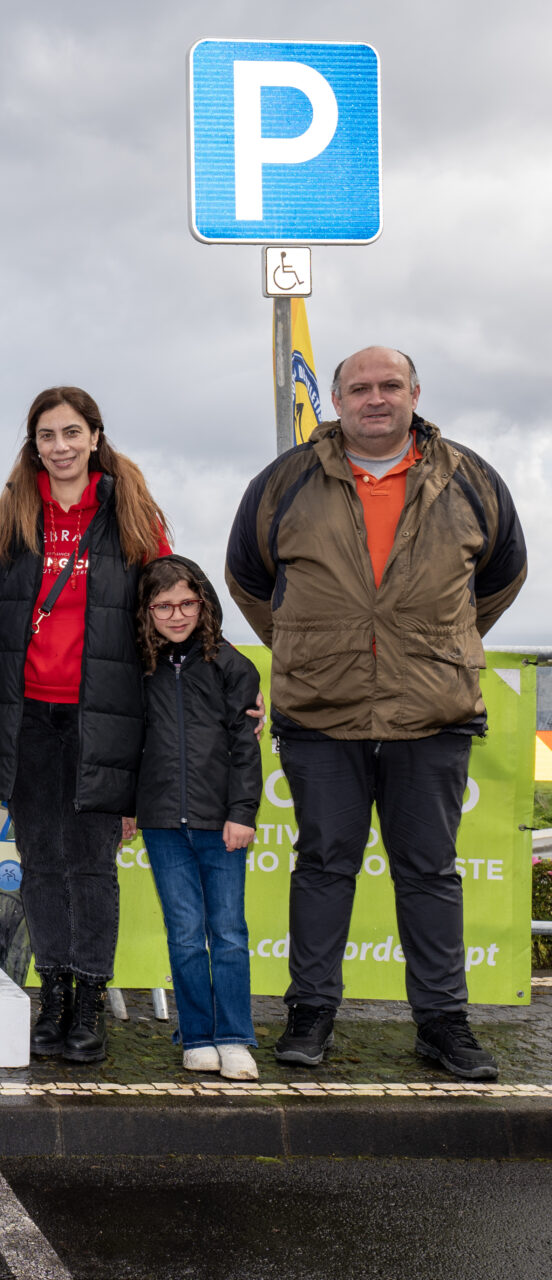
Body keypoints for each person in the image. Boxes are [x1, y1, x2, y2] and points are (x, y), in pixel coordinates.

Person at [226, 346, 526, 1079]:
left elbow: (501, 575)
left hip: (432, 714)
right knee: (323, 867)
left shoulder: (471, 478)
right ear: (337, 401)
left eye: (390, 385)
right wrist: (310, 647)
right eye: (360, 387)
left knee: (430, 872)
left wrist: (434, 646)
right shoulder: (286, 480)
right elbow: (248, 576)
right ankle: (311, 1014)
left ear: (415, 392)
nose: (376, 398)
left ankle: (443, 1023)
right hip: (322, 713)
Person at [0, 386, 170, 1063]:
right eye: (47, 435)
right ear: (34, 445)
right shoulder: (14, 516)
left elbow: (173, 608)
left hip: (101, 720)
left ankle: (90, 1001)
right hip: (25, 718)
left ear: (95, 437)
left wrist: (228, 687)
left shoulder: (132, 517)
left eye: (72, 432)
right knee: (42, 862)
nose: (60, 446)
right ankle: (53, 996)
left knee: (90, 865)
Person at [133, 555, 262, 1082]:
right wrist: (127, 808)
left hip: (220, 822)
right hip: (162, 821)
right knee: (185, 933)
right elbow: (127, 741)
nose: (177, 615)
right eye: (163, 606)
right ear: (147, 611)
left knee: (227, 932)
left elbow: (245, 747)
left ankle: (234, 1037)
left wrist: (242, 813)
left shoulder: (233, 666)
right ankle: (196, 1035)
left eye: (187, 603)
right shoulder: (139, 668)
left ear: (204, 603)